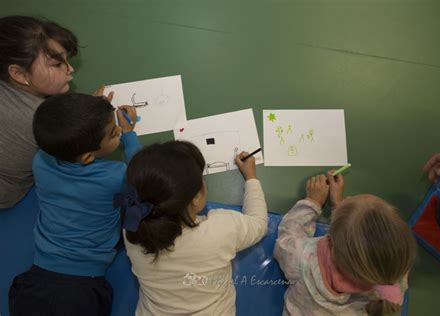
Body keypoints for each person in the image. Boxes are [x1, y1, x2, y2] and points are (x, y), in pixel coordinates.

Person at [9, 93, 140, 316]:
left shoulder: (40, 161)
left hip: (35, 281)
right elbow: (143, 179)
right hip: (82, 288)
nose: (117, 130)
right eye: (112, 133)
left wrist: (83, 115)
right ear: (88, 157)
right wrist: (129, 136)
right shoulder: (115, 177)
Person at [115, 141, 268, 315]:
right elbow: (259, 224)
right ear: (196, 198)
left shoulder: (132, 229)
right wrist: (251, 177)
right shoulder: (221, 229)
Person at [0, 15, 111, 209]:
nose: (70, 69)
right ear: (18, 73)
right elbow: (85, 152)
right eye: (57, 64)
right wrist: (90, 117)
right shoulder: (37, 120)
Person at [274, 172, 417, 316]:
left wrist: (312, 202)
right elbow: (359, 245)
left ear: (332, 243)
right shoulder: (393, 274)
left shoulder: (302, 259)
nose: (348, 198)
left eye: (351, 199)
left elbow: (286, 237)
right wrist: (343, 211)